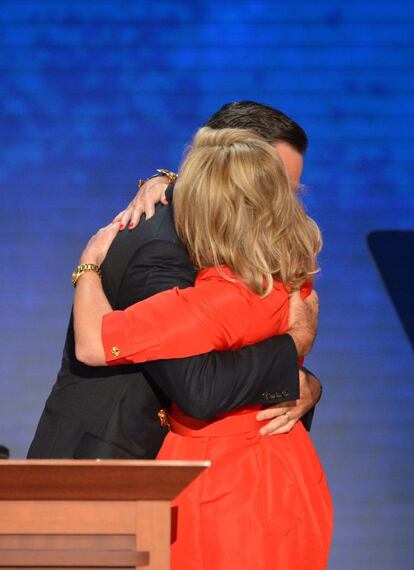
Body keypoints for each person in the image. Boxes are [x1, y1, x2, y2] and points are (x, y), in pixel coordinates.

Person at [72, 127, 333, 570]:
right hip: (291, 475)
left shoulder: (208, 304)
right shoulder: (290, 281)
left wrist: (89, 266)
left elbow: (92, 345)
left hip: (224, 493)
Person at [28, 101, 321, 460]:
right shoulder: (165, 244)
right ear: (235, 173)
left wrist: (304, 381)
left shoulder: (239, 265)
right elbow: (199, 387)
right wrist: (295, 347)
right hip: (104, 466)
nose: (284, 205)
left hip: (188, 471)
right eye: (275, 188)